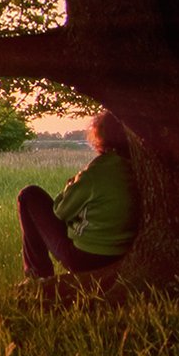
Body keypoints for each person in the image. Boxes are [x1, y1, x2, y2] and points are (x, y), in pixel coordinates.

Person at [17, 111, 137, 279]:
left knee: (29, 195)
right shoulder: (137, 168)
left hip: (84, 258)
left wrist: (70, 184)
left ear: (100, 134)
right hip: (120, 253)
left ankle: (37, 275)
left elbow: (60, 211)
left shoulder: (96, 172)